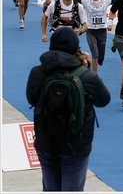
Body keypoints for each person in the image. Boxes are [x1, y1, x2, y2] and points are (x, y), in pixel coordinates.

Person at [26, 27, 110, 191]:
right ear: (75, 46)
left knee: (50, 188)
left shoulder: (37, 72)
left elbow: (31, 99)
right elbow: (103, 100)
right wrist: (85, 68)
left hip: (46, 141)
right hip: (76, 143)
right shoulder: (86, 75)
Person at [80, 0, 113, 72]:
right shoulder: (86, 2)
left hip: (102, 31)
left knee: (101, 57)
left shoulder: (106, 1)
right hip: (91, 31)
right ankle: (94, 76)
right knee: (95, 54)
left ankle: (99, 61)